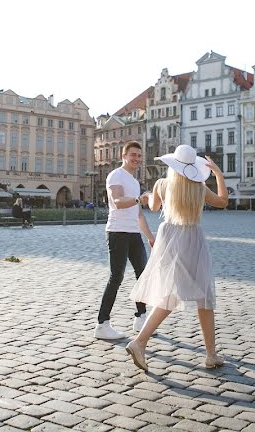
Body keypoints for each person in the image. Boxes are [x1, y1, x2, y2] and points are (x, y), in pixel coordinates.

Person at [125, 144, 228, 372]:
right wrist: (218, 174)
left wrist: (148, 196)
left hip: (169, 238)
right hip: (192, 238)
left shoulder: (162, 184)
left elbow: (153, 207)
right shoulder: (199, 187)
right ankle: (141, 342)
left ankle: (209, 354)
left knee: (172, 294)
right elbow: (223, 201)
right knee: (204, 295)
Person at [94, 141, 156, 340]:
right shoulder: (116, 175)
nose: (137, 159)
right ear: (124, 156)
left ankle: (141, 317)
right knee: (117, 276)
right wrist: (139, 199)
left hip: (133, 233)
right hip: (117, 232)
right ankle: (102, 324)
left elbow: (138, 215)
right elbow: (119, 202)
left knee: (142, 274)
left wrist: (150, 237)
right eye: (133, 155)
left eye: (139, 155)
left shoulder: (135, 182)